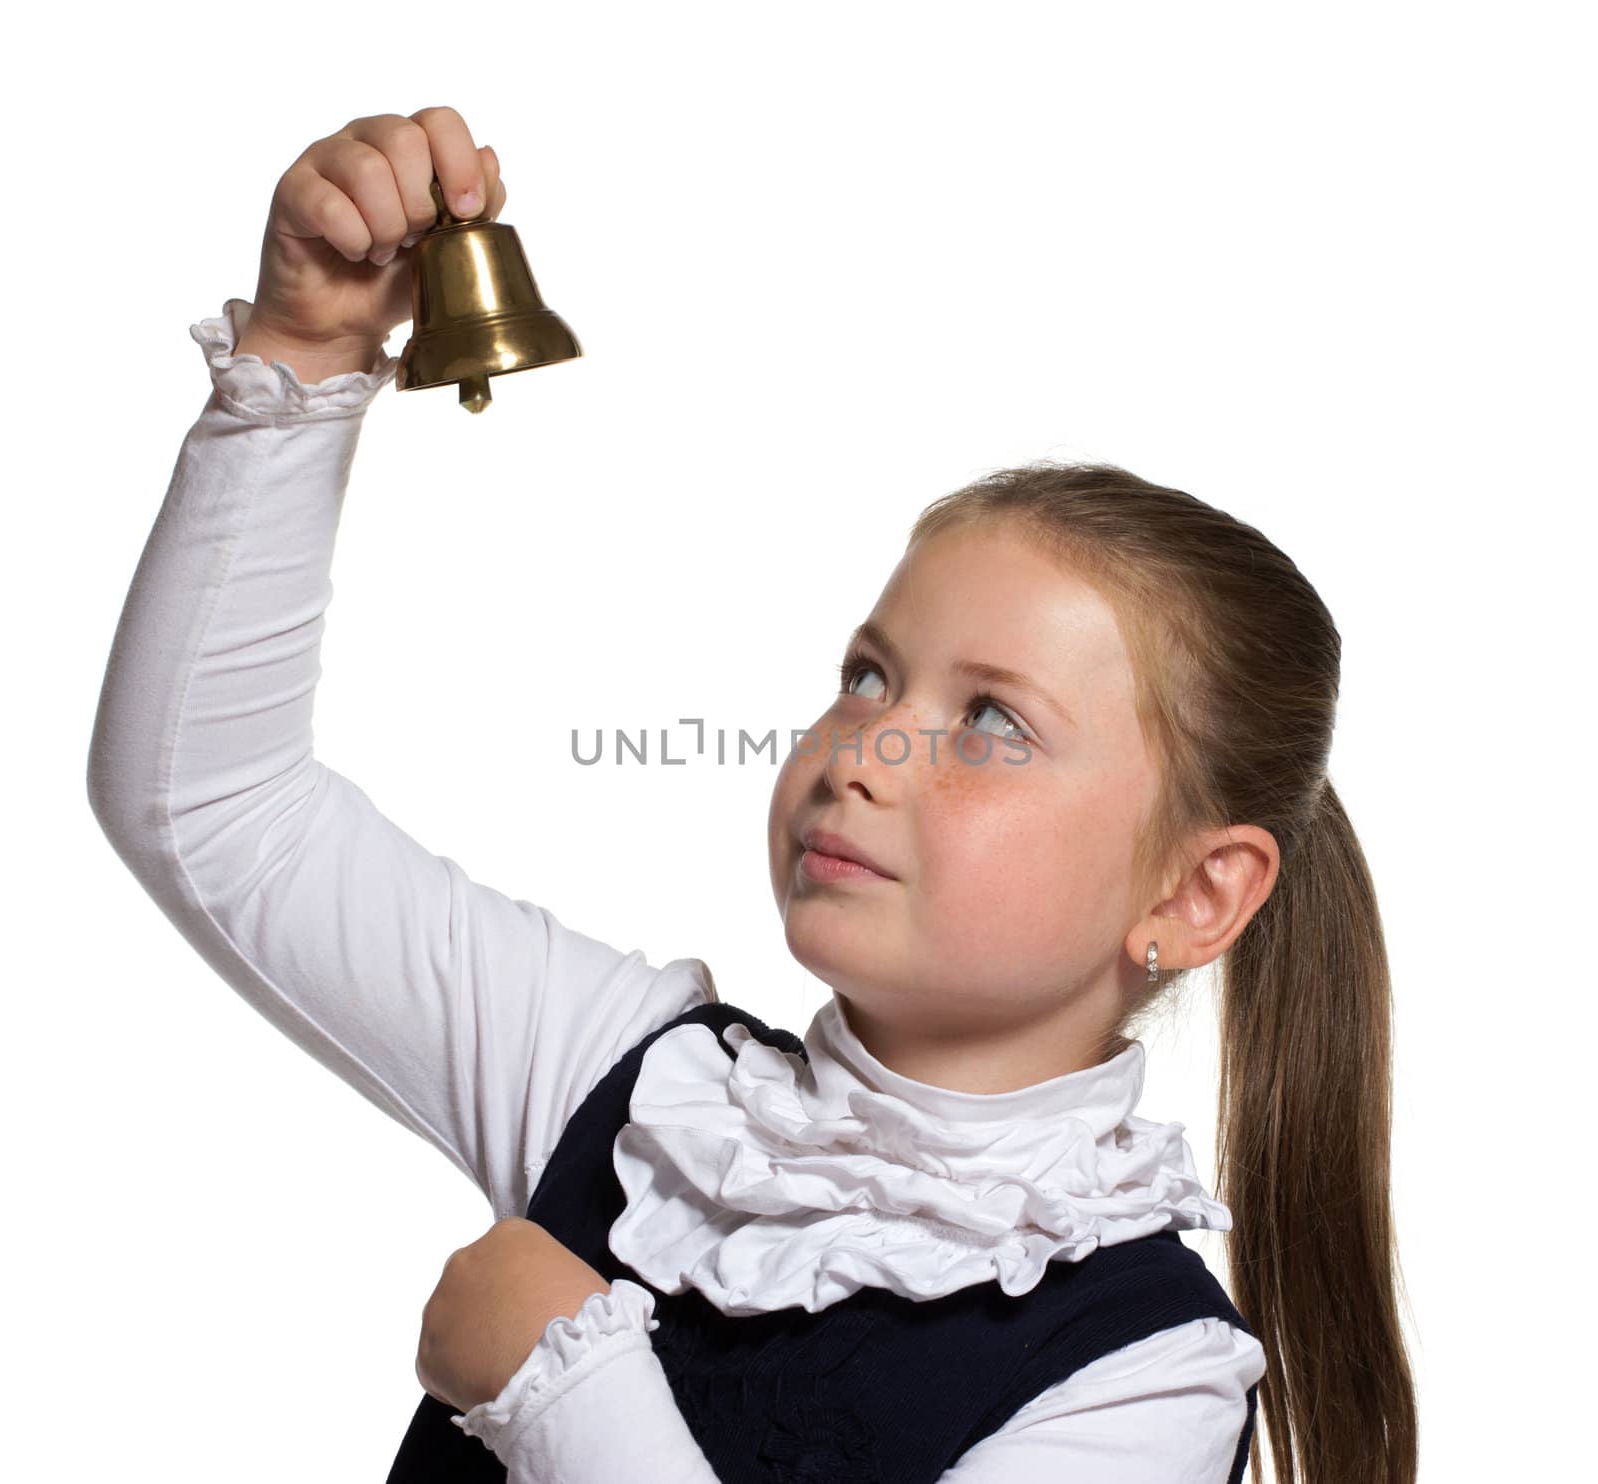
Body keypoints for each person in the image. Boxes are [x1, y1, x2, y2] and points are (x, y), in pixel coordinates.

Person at [86, 105, 1417, 1483]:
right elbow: (211, 807)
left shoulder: (1151, 1378)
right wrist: (311, 353)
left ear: (1196, 895)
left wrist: (564, 1383)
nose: (864, 752)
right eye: (866, 676)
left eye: (994, 723)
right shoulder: (631, 1083)